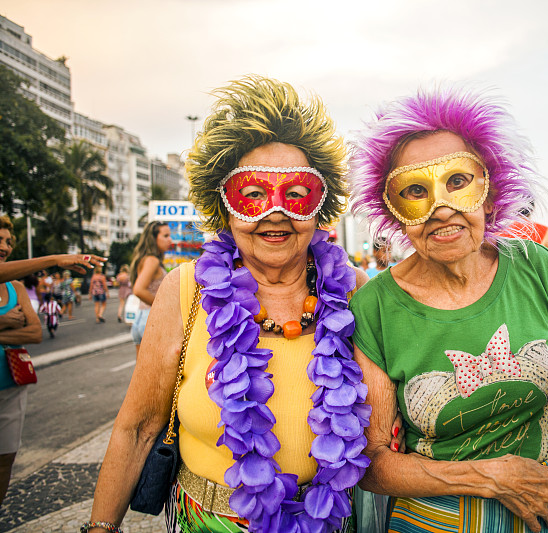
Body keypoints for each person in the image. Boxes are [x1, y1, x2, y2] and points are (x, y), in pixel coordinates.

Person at [348, 87, 548, 532]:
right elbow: (371, 464)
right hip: (441, 522)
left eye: (458, 181)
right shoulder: (375, 306)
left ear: (490, 191)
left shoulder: (534, 267)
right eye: (415, 191)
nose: (442, 209)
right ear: (395, 211)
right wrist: (489, 477)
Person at [87, 76, 372, 533]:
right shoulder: (187, 289)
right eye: (252, 195)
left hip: (326, 519)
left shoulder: (353, 290)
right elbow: (138, 427)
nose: (275, 212)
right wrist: (101, 528)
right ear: (224, 205)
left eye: (297, 194)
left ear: (320, 206)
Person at [0, 215, 42, 506]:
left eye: (8, 241)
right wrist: (6, 323)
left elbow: (35, 332)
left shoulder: (15, 288)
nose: (4, 246)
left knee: (5, 459)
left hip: (12, 385)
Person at [130, 222, 172, 355]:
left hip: (141, 317)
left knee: (142, 367)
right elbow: (138, 289)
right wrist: (162, 307)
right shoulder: (152, 261)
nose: (170, 240)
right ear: (153, 238)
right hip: (151, 319)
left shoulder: (144, 259)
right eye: (165, 236)